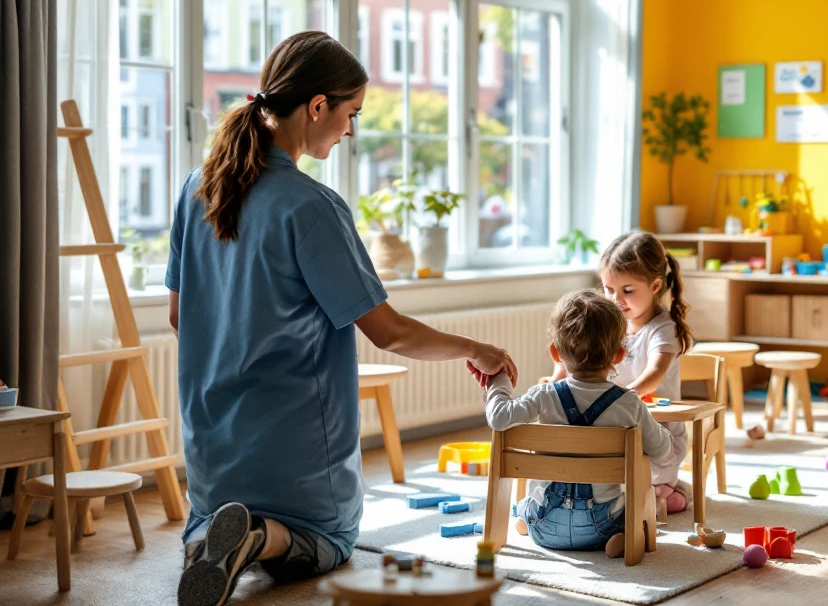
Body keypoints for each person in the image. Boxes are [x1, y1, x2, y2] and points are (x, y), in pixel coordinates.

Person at [166, 31, 518, 606]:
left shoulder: (193, 190)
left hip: (212, 451)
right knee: (333, 541)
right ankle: (256, 537)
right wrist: (475, 348)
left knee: (204, 521)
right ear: (317, 107)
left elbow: (182, 317)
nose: (350, 131)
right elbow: (390, 332)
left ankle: (213, 534)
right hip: (298, 453)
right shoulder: (312, 206)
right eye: (350, 114)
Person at [484, 290, 670, 558]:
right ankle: (621, 537)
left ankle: (525, 522)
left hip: (544, 522)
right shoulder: (628, 403)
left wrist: (498, 383)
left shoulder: (543, 396)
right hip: (602, 525)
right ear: (618, 355)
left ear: (555, 353)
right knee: (642, 505)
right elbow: (662, 450)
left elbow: (499, 417)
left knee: (523, 504)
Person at [544, 230, 695, 513]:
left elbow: (655, 373)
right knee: (590, 463)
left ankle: (670, 490)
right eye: (608, 289)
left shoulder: (663, 329)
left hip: (656, 432)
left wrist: (617, 398)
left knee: (643, 480)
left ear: (655, 286)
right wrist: (556, 382)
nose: (615, 299)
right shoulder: (610, 323)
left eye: (627, 291)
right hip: (612, 421)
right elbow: (571, 357)